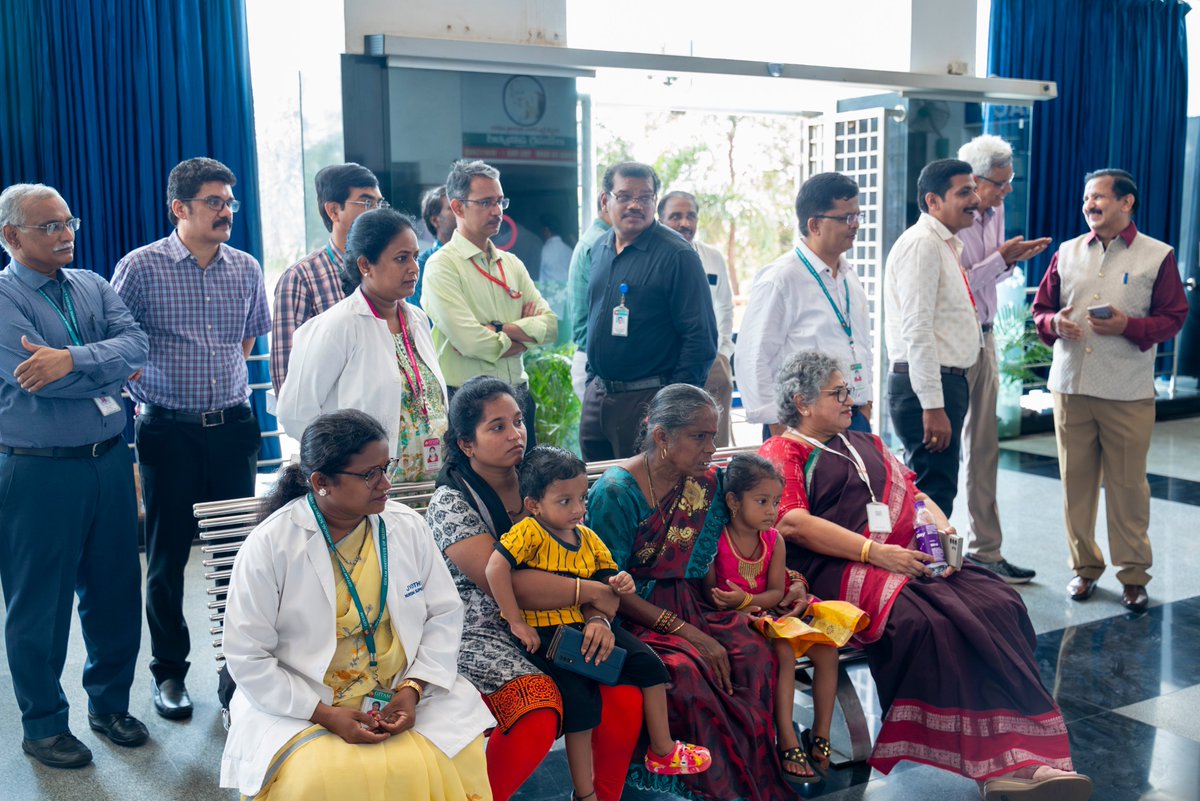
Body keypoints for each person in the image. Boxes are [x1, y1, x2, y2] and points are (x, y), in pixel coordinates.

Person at [759, 350, 1093, 801]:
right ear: (801, 403)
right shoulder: (784, 450)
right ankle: (993, 768)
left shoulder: (866, 442)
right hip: (835, 568)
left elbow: (913, 493)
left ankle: (1026, 758)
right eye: (837, 392)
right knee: (930, 623)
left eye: (848, 390)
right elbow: (791, 522)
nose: (848, 399)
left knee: (996, 602)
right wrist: (876, 553)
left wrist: (945, 534)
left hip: (903, 556)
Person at [219, 409, 494, 799]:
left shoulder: (406, 526)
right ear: (321, 482)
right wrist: (325, 714)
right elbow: (247, 655)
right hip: (304, 703)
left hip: (401, 691)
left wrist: (413, 689)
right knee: (326, 778)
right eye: (369, 474)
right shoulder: (272, 545)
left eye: (386, 467)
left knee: (454, 753)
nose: (386, 484)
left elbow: (444, 614)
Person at [425, 376, 644, 801]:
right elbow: (507, 585)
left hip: (563, 618)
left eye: (519, 421)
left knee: (625, 692)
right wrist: (591, 595)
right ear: (466, 444)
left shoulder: (541, 475)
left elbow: (590, 557)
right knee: (537, 711)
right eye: (498, 427)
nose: (515, 434)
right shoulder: (452, 501)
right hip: (487, 626)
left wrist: (599, 615)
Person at [112, 156, 271, 721]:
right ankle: (170, 676)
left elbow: (249, 340)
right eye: (214, 202)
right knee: (167, 557)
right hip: (169, 432)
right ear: (180, 208)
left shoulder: (247, 267)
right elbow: (119, 347)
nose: (226, 211)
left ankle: (238, 675)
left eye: (229, 202)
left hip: (232, 430)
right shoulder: (140, 267)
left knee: (239, 557)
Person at [587, 384, 801, 801]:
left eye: (713, 435)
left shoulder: (707, 484)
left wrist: (791, 581)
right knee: (685, 674)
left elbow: (753, 526)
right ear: (663, 436)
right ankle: (697, 789)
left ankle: (747, 782)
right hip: (633, 613)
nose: (711, 447)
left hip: (696, 603)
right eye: (699, 436)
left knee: (754, 653)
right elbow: (606, 585)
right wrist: (690, 634)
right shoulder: (616, 492)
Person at [0, 183, 150, 768]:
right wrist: (102, 369)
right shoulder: (5, 297)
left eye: (69, 223)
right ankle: (42, 725)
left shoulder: (92, 284)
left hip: (109, 460)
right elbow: (37, 378)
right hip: (38, 474)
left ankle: (109, 705)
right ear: (11, 236)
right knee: (40, 605)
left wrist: (74, 359)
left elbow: (137, 344)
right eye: (49, 227)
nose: (65, 235)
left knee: (114, 592)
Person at [485, 446, 712, 801]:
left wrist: (620, 584)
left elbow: (608, 583)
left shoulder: (587, 537)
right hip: (548, 633)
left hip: (588, 626)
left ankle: (662, 750)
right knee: (581, 707)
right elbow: (495, 568)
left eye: (582, 498)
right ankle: (586, 793)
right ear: (534, 505)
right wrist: (515, 622)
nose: (578, 509)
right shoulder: (529, 532)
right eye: (565, 501)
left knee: (651, 667)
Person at [1032, 169, 1188, 612]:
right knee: (1075, 485)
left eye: (1098, 197)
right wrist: (1053, 324)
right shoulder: (1066, 253)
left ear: (1126, 203)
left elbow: (1174, 316)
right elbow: (1041, 309)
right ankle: (1084, 569)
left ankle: (1134, 576)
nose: (1089, 205)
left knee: (1127, 486)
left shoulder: (1157, 256)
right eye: (1086, 199)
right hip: (1070, 385)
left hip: (1127, 390)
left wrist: (1129, 326)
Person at [277, 209, 448, 482]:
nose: (414, 268)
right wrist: (345, 466)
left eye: (415, 257)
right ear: (365, 265)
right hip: (367, 486)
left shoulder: (416, 318)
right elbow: (294, 413)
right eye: (401, 259)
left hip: (429, 480)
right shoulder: (337, 325)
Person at [706, 454, 846, 785]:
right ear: (733, 501)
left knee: (827, 650)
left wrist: (749, 599)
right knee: (783, 651)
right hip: (733, 619)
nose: (772, 510)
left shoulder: (774, 540)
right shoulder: (715, 541)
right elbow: (710, 592)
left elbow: (775, 590)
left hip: (769, 611)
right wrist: (740, 606)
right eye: (762, 501)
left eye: (776, 502)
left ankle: (821, 732)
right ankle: (786, 738)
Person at [955, 136, 1050, 583]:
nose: (1006, 192)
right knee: (936, 450)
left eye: (1010, 183)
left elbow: (994, 272)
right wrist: (1000, 259)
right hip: (952, 342)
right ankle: (925, 549)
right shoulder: (951, 217)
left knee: (985, 449)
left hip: (985, 337)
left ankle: (986, 550)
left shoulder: (995, 209)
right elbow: (960, 283)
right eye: (1000, 183)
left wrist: (1011, 260)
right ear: (973, 179)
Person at [582, 163, 717, 461]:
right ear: (606, 201)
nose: (635, 204)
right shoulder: (601, 249)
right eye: (625, 196)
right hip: (599, 397)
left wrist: (669, 407)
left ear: (655, 202)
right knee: (594, 493)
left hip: (648, 402)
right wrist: (593, 381)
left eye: (645, 197)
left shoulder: (677, 255)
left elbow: (701, 339)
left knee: (644, 499)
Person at [422, 160, 557, 451]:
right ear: (457, 208)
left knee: (523, 490)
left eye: (500, 201)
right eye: (486, 202)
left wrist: (499, 329)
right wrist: (521, 336)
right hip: (470, 405)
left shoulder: (511, 263)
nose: (497, 211)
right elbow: (470, 341)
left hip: (518, 400)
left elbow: (549, 326)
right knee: (472, 494)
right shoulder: (441, 266)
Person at [738, 173, 874, 441]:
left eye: (857, 216)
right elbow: (753, 357)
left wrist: (865, 403)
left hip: (853, 417)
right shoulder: (781, 278)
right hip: (801, 424)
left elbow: (860, 346)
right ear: (814, 224)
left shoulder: (849, 277)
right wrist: (777, 425)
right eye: (846, 218)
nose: (855, 225)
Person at [883, 158, 982, 516]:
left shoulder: (944, 243)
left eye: (974, 189)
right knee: (933, 492)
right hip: (927, 383)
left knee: (938, 488)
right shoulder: (922, 244)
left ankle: (927, 568)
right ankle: (925, 571)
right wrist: (933, 404)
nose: (976, 199)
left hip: (941, 381)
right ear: (933, 201)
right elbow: (917, 328)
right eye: (964, 192)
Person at [270, 163, 386, 392]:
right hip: (334, 421)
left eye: (379, 203)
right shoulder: (301, 278)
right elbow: (287, 377)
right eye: (366, 203)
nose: (377, 212)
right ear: (333, 211)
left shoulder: (385, 268)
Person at [658, 191, 736, 446]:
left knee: (716, 440)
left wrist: (723, 352)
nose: (685, 223)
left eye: (691, 216)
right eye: (676, 216)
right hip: (668, 364)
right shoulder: (653, 259)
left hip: (712, 361)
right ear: (660, 219)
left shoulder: (712, 257)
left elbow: (725, 306)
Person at [567, 194, 611, 399]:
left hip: (589, 356)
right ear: (605, 203)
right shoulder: (603, 243)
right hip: (594, 359)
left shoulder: (596, 238)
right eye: (624, 198)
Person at [415, 185, 456, 308]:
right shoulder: (421, 265)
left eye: (461, 206)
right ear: (435, 220)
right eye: (452, 208)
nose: (460, 211)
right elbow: (418, 318)